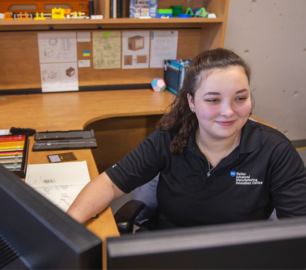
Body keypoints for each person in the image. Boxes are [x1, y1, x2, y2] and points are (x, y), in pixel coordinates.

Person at [67, 48, 306, 230]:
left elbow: (296, 231)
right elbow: (108, 184)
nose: (229, 111)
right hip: (168, 249)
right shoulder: (168, 139)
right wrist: (67, 230)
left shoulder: (276, 150)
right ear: (192, 102)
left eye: (240, 98)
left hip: (238, 257)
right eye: (213, 100)